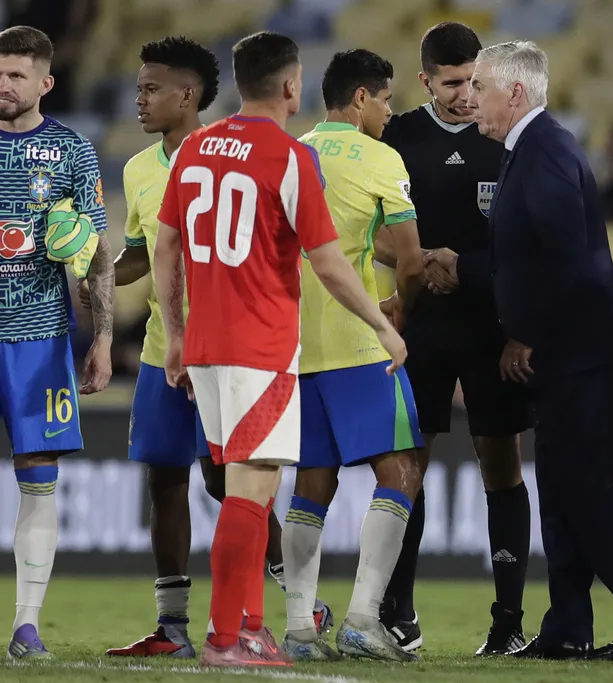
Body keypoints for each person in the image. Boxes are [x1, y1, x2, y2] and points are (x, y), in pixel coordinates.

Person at [152, 31, 406, 669]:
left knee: (254, 491)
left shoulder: (195, 148)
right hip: (258, 346)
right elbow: (329, 263)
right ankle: (224, 637)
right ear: (292, 86)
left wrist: (176, 336)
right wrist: (382, 323)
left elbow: (166, 246)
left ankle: (256, 630)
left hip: (205, 346)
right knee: (251, 488)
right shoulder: (289, 157)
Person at [95, 36, 334, 659]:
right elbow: (147, 255)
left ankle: (282, 604)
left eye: (152, 88)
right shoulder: (139, 169)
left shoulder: (219, 151)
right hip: (164, 348)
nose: (140, 99)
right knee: (166, 480)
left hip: (228, 347)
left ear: (189, 94)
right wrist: (90, 267)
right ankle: (174, 626)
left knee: (232, 481)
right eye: (138, 87)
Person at [456, 39, 613, 661]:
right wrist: (462, 266)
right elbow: (525, 256)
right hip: (573, 351)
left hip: (578, 352)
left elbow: (571, 257)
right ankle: (567, 625)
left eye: (479, 87)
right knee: (562, 490)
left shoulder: (544, 150)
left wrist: (526, 333)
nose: (469, 98)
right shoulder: (531, 149)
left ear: (515, 92)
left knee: (580, 488)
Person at [377, 21, 533, 656]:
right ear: (425, 81)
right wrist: (419, 261)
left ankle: (508, 620)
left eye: (475, 82)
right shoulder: (399, 136)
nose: (467, 95)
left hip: (492, 323)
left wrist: (461, 263)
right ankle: (399, 613)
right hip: (422, 323)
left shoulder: (505, 136)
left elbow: (525, 233)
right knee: (410, 463)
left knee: (500, 462)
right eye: (453, 84)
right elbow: (371, 223)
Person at [281, 48, 424, 664]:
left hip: (296, 344)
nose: (391, 113)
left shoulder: (292, 153)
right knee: (401, 472)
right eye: (387, 99)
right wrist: (397, 309)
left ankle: (298, 629)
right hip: (361, 343)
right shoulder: (380, 157)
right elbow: (412, 261)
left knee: (312, 483)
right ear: (361, 98)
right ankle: (365, 618)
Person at [0, 25, 114, 659]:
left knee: (38, 480)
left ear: (45, 81)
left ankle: (25, 626)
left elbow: (97, 258)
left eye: (17, 76)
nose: (4, 86)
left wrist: (100, 339)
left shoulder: (71, 151)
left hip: (40, 336)